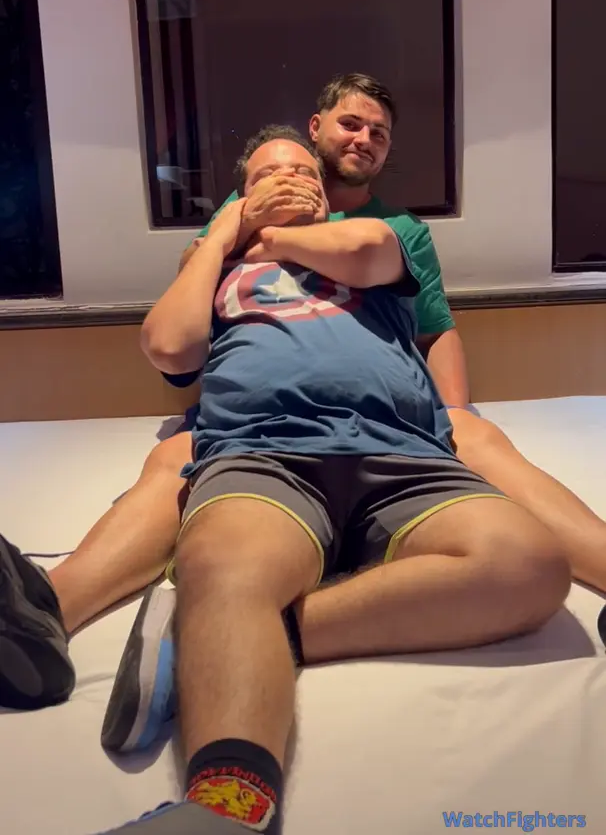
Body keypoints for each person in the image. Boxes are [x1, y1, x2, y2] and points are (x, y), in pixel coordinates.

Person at [0, 73, 604, 718]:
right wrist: (227, 234)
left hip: (385, 418)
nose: (363, 139)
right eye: (351, 123)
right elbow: (175, 346)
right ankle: (45, 611)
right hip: (254, 418)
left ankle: (240, 629)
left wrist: (447, 412)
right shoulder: (229, 232)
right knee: (177, 455)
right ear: (315, 130)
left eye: (379, 132)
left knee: (476, 435)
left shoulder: (391, 229)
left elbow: (434, 326)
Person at [94, 126, 569, 834]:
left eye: (304, 174)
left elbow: (368, 248)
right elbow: (169, 346)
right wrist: (222, 237)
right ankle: (225, 808)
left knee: (529, 562)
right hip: (267, 450)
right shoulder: (218, 268)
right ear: (240, 195)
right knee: (225, 565)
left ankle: (227, 632)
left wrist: (273, 234)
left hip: (404, 456)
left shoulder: (371, 241)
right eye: (269, 174)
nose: (290, 179)